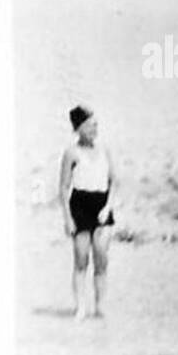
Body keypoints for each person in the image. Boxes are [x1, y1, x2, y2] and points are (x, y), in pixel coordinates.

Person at [59, 105, 117, 320]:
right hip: (80, 206)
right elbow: (63, 188)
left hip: (102, 205)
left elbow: (114, 182)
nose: (95, 128)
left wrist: (107, 208)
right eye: (90, 125)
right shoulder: (71, 153)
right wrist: (68, 218)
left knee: (101, 258)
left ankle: (100, 306)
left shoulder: (105, 149)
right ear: (79, 128)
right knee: (81, 258)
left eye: (96, 124)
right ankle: (80, 306)